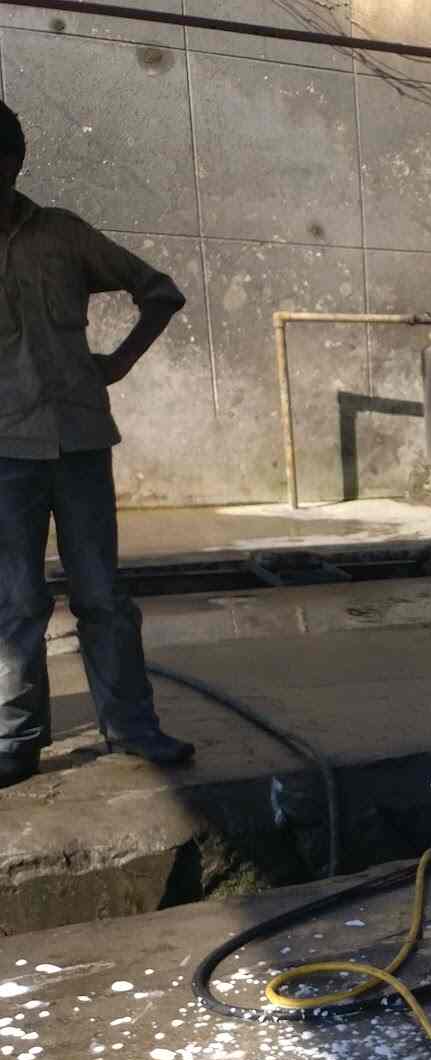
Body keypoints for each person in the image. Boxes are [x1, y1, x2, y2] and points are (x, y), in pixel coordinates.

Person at [0, 99, 193, 791]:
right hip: (4, 453)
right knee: (15, 602)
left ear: (13, 163)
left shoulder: (62, 235)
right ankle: (15, 739)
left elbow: (159, 293)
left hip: (80, 441)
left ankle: (131, 727)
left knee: (103, 594)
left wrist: (119, 362)